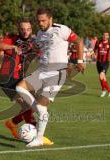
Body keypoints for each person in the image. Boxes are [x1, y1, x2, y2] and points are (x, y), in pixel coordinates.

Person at [16, 8, 84, 147]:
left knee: (41, 105)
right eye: (38, 21)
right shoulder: (40, 34)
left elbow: (79, 41)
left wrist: (80, 61)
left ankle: (39, 138)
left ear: (50, 19)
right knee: (20, 88)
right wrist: (28, 50)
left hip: (57, 72)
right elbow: (38, 48)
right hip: (42, 70)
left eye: (43, 20)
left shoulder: (61, 30)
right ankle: (41, 113)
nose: (40, 23)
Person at [0, 18, 53, 145]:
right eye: (22, 29)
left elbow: (41, 52)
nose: (25, 31)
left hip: (21, 78)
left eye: (28, 29)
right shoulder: (12, 38)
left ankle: (12, 123)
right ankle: (37, 136)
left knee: (37, 101)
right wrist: (13, 47)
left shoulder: (33, 42)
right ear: (18, 29)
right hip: (8, 79)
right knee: (27, 105)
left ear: (31, 29)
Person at [94, 32, 110, 97]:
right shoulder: (98, 42)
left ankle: (105, 91)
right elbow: (95, 50)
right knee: (103, 78)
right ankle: (108, 91)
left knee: (101, 76)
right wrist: (91, 54)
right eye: (103, 35)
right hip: (98, 62)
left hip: (106, 62)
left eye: (106, 35)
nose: (104, 36)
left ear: (108, 36)